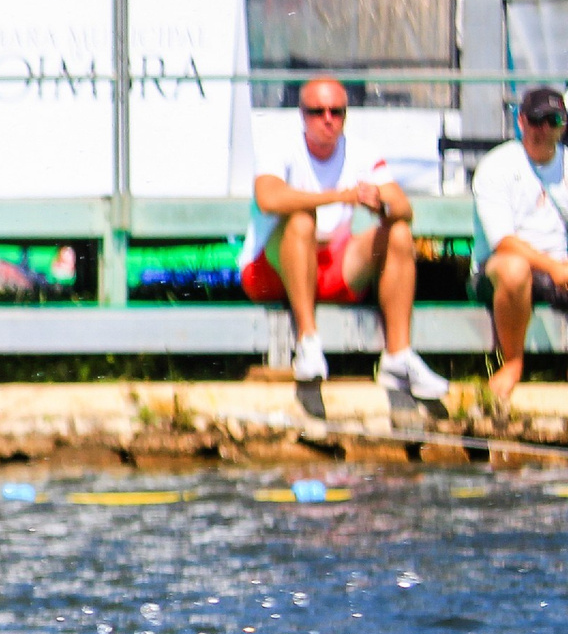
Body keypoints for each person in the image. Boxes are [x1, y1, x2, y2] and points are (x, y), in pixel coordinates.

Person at [239, 75, 449, 398]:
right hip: (270, 272)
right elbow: (268, 198)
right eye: (317, 111)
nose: (328, 119)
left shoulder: (362, 152)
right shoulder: (279, 146)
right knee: (301, 222)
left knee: (399, 233)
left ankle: (398, 356)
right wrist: (339, 196)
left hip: (330, 270)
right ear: (302, 115)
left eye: (336, 112)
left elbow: (403, 207)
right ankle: (308, 343)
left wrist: (379, 201)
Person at [471, 85, 568, 409]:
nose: (544, 128)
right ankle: (513, 363)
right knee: (515, 268)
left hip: (560, 270)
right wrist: (554, 268)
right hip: (498, 272)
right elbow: (504, 242)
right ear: (522, 121)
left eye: (552, 120)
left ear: (562, 125)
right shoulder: (498, 165)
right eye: (537, 120)